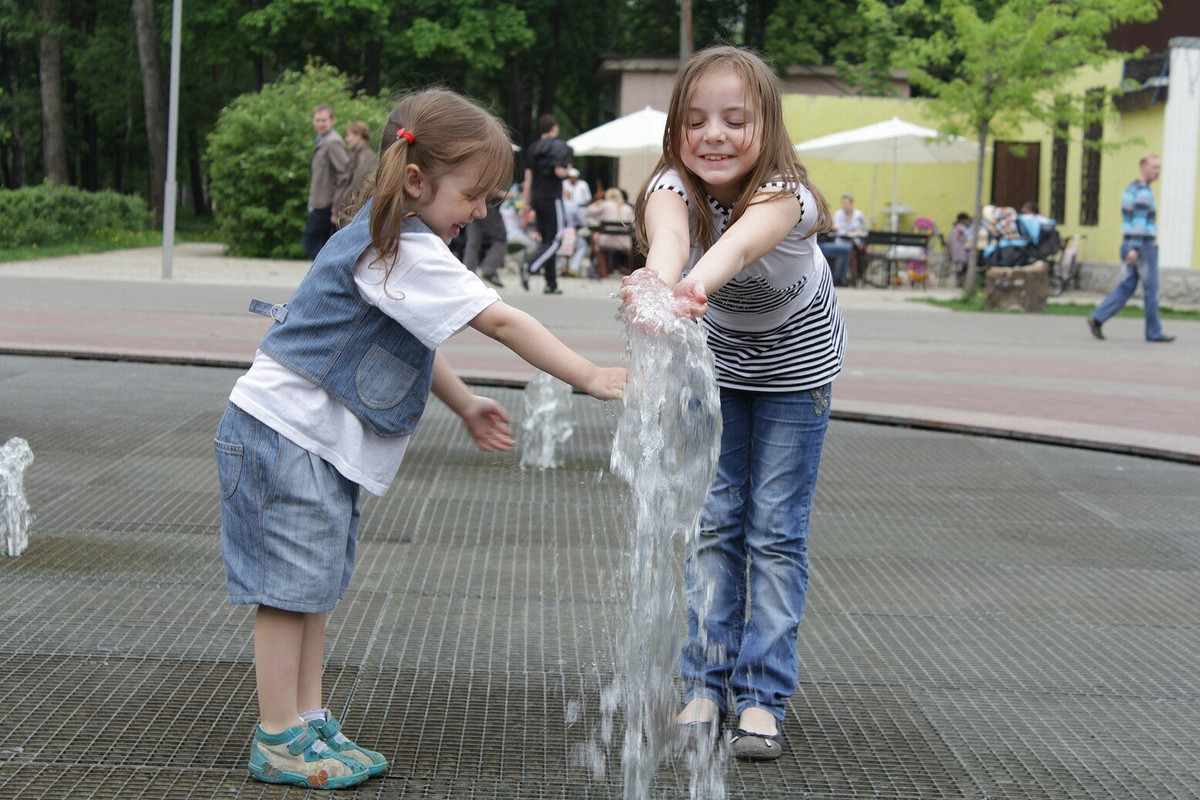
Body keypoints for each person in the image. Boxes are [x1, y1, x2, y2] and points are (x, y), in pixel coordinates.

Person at [215, 88, 626, 790]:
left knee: (313, 585)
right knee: (288, 592)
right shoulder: (399, 245)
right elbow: (497, 321)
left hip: (306, 442)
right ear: (415, 179)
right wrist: (588, 374)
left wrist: (464, 404)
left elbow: (418, 342)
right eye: (475, 194)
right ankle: (278, 734)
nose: (481, 211)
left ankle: (307, 719)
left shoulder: (399, 241)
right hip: (282, 434)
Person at [624, 45, 845, 762]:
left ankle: (761, 694)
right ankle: (703, 683)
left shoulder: (790, 195)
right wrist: (659, 285)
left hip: (795, 370)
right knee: (715, 523)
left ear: (768, 126)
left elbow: (740, 248)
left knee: (775, 532)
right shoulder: (670, 185)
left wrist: (692, 289)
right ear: (675, 133)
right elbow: (670, 240)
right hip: (716, 364)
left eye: (733, 119)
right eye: (694, 121)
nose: (712, 134)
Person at [1087, 154, 1175, 343]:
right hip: (1142, 245)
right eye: (1154, 167)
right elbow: (1139, 221)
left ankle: (1098, 317)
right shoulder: (1144, 193)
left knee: (1126, 286)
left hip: (1127, 241)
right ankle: (1153, 332)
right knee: (1151, 290)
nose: (1157, 171)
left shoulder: (1130, 188)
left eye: (1159, 167)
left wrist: (1129, 246)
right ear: (1143, 166)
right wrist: (1135, 247)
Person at [520, 114, 573, 294]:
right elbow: (559, 172)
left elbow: (528, 178)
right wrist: (568, 169)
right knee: (556, 239)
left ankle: (551, 284)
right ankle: (530, 267)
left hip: (537, 198)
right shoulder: (559, 146)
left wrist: (527, 202)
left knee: (546, 241)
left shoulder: (533, 148)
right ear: (554, 128)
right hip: (552, 197)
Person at [302, 104, 351, 259]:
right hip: (320, 202)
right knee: (324, 243)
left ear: (332, 120)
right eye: (317, 120)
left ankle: (324, 272)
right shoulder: (322, 141)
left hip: (327, 203)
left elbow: (345, 172)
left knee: (310, 240)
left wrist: (336, 203)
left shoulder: (332, 142)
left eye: (324, 120)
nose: (320, 124)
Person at [588, 187, 635, 279]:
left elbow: (590, 210)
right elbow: (634, 225)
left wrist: (597, 203)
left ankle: (603, 272)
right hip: (624, 243)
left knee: (595, 239)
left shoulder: (605, 204)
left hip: (606, 241)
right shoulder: (627, 208)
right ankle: (624, 269)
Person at [820, 193, 867, 285]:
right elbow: (838, 230)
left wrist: (856, 233)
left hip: (855, 242)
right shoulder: (838, 214)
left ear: (851, 204)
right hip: (840, 241)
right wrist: (851, 233)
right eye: (843, 203)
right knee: (847, 250)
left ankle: (856, 276)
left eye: (847, 203)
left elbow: (863, 228)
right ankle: (841, 278)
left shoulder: (858, 214)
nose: (845, 206)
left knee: (861, 252)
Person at [463, 201, 507, 287]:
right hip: (488, 205)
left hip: (472, 205)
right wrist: (505, 194)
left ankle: (468, 272)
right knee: (501, 239)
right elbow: (491, 189)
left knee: (472, 243)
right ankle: (489, 270)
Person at [340, 120, 378, 217]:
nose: (346, 139)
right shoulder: (357, 155)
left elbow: (356, 185)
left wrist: (339, 205)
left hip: (356, 209)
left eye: (348, 135)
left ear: (358, 136)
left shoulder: (365, 157)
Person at [948, 212, 971, 285]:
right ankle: (962, 278)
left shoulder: (955, 228)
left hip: (954, 252)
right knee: (974, 260)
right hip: (961, 252)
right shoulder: (962, 228)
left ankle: (961, 277)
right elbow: (969, 237)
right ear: (962, 220)